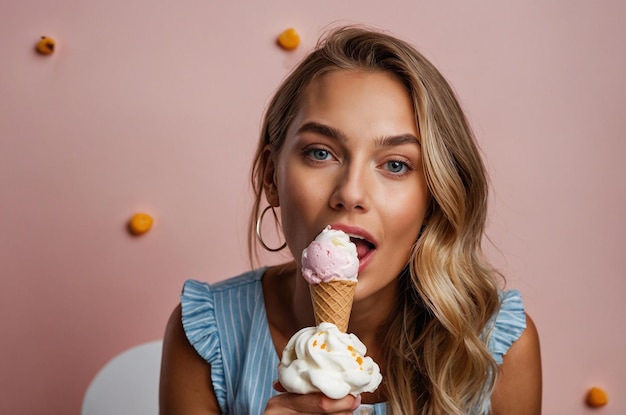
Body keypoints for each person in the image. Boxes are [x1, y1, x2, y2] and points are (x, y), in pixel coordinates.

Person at [159, 25, 542, 415]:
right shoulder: (208, 336)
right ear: (272, 177)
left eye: (396, 164)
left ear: (435, 195)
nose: (351, 193)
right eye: (321, 153)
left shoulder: (495, 347)